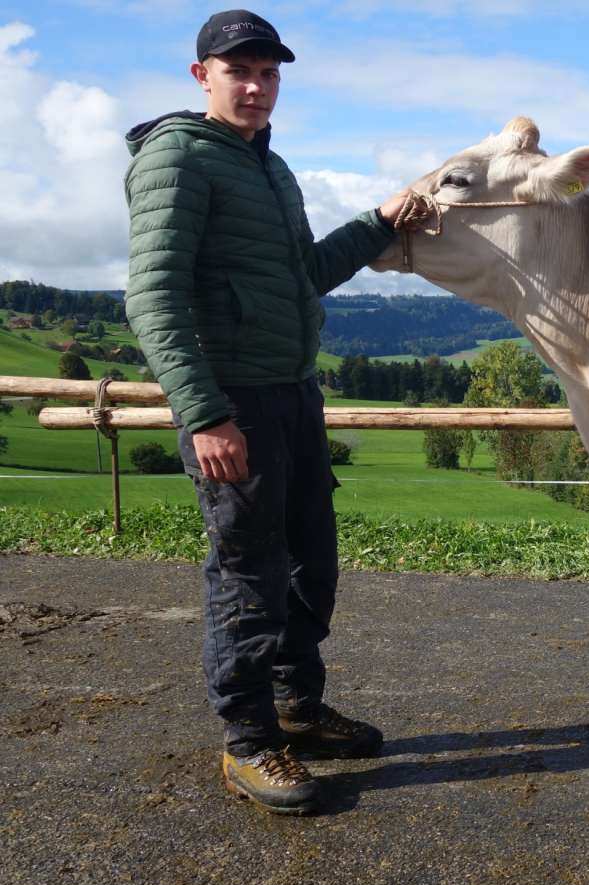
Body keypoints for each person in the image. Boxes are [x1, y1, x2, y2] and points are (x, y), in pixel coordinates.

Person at [123, 9, 412, 813]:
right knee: (248, 572)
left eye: (269, 73)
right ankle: (249, 744)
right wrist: (205, 414)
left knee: (309, 562)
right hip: (232, 401)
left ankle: (296, 710)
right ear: (202, 76)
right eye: (239, 71)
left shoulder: (270, 167)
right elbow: (152, 296)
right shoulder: (177, 157)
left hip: (292, 391)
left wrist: (379, 223)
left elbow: (303, 275)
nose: (255, 87)